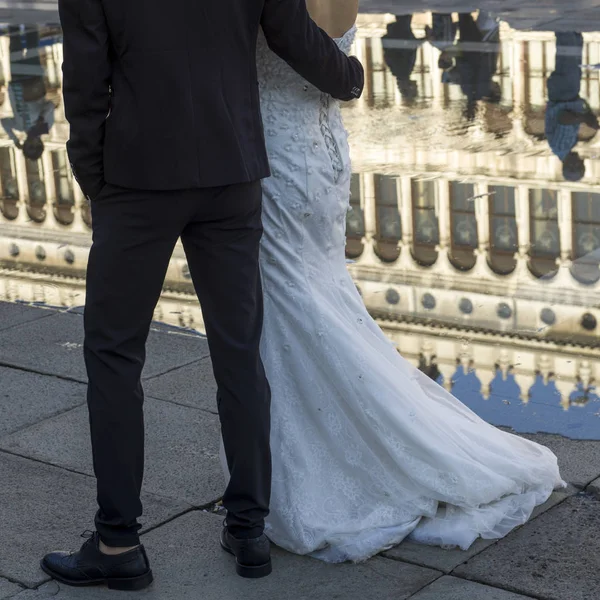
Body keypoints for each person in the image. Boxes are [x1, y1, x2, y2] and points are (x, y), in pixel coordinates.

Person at [220, 0, 565, 563]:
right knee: (319, 294)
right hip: (322, 145)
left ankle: (296, 476)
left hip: (277, 156)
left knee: (285, 306)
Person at [41, 0, 363, 589]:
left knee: (113, 355)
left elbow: (86, 79)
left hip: (139, 177)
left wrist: (95, 176)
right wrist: (348, 78)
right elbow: (292, 35)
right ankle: (248, 530)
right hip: (232, 166)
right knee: (239, 351)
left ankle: (117, 543)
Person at [545, 32, 599, 182]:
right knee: (573, 48)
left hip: (563, 92)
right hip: (565, 92)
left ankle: (564, 25)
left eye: (580, 164)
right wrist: (587, 113)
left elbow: (564, 118)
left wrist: (585, 119)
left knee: (568, 49)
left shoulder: (562, 146)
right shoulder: (566, 147)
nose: (581, 159)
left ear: (571, 165)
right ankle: (569, 28)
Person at [1, 26, 55, 161]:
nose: (32, 143)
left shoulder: (19, 127)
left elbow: (3, 122)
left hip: (18, 83)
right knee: (32, 49)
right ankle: (31, 25)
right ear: (39, 144)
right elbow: (50, 105)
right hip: (34, 81)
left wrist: (14, 140)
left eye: (29, 146)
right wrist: (42, 118)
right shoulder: (46, 126)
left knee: (14, 49)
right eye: (35, 146)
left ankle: (14, 24)